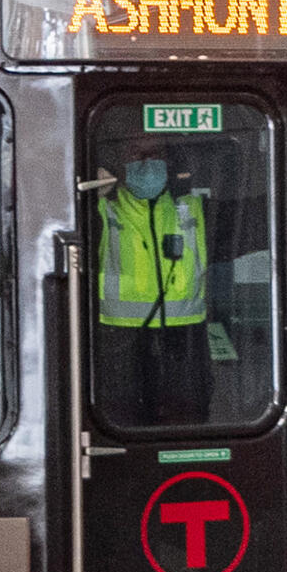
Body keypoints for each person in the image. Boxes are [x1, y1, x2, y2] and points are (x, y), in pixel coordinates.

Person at [94, 137, 214, 426]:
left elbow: (259, 221)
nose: (147, 162)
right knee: (121, 429)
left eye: (155, 153)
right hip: (117, 349)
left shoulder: (193, 210)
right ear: (120, 163)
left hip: (183, 348)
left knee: (185, 431)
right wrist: (88, 194)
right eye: (136, 154)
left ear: (169, 161)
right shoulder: (100, 213)